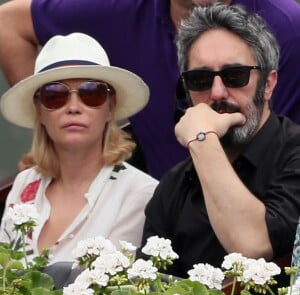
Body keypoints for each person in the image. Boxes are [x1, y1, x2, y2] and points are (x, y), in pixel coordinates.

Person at [0, 0, 300, 180]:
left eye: (235, 75)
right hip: (161, 218)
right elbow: (8, 23)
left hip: (269, 224)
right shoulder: (120, 11)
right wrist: (59, 137)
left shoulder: (288, 27)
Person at [137, 3, 300, 279]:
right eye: (199, 79)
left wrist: (202, 139)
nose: (217, 93)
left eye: (235, 75)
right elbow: (147, 288)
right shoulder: (174, 187)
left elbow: (252, 244)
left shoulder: (293, 155)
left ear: (269, 84)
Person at [0, 32, 158, 264]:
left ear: (110, 107)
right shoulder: (23, 185)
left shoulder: (141, 193)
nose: (74, 107)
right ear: (40, 110)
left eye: (91, 93)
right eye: (54, 95)